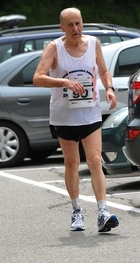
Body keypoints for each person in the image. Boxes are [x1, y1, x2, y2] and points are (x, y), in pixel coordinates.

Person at [33, 7, 119, 233]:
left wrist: (109, 88)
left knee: (95, 161)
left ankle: (102, 212)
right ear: (61, 27)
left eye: (78, 23)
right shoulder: (55, 48)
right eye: (70, 25)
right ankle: (77, 210)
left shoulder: (93, 43)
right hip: (64, 116)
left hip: (90, 113)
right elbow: (38, 78)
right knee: (71, 163)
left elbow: (103, 70)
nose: (76, 29)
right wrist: (65, 82)